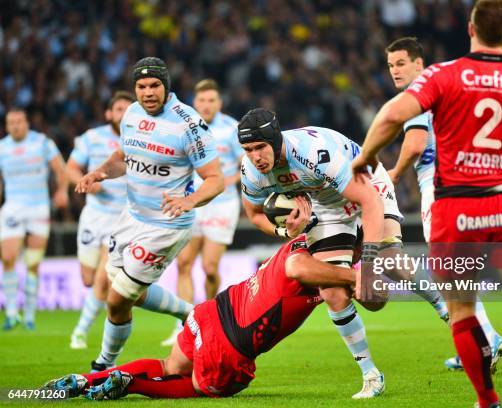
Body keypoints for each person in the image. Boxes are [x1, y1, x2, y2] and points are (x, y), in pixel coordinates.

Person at [353, 1, 502, 407]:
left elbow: (393, 116)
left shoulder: (443, 75)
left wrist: (366, 158)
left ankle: (488, 400)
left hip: (455, 207)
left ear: (470, 28)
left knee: (461, 309)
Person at [42, 215, 360, 400]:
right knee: (207, 387)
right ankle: (131, 384)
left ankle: (86, 379)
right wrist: (354, 275)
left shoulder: (304, 242)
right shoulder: (319, 265)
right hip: (231, 344)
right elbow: (297, 268)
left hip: (209, 311)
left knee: (168, 366)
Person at [75, 57, 225, 373]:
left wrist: (190, 201)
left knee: (116, 300)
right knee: (123, 286)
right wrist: (100, 173)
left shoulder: (188, 123)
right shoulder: (130, 113)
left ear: (166, 86)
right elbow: (124, 157)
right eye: (141, 87)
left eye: (154, 85)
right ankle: (191, 313)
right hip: (130, 217)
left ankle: (103, 366)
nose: (148, 92)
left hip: (166, 225)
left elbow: (216, 179)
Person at [238, 108, 389, 398]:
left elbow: (369, 200)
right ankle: (371, 374)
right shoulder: (250, 171)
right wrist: (285, 233)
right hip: (328, 209)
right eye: (248, 149)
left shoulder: (314, 153)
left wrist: (369, 266)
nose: (255, 156)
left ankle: (454, 315)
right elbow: (253, 213)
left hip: (370, 185)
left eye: (260, 147)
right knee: (340, 294)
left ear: (276, 140)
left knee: (393, 260)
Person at [385, 37, 502, 372]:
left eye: (400, 63)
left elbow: (415, 144)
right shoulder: (442, 90)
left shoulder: (416, 96)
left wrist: (393, 174)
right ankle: (481, 339)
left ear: (418, 64)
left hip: (439, 188)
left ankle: (484, 340)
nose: (395, 71)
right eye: (391, 65)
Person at [161, 79, 243, 347]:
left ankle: (208, 318)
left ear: (219, 103)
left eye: (211, 101)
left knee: (209, 268)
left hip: (222, 203)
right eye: (202, 101)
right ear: (195, 103)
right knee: (183, 264)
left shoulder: (232, 129)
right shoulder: (185, 126)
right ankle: (183, 325)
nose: (206, 105)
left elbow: (246, 165)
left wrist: (221, 182)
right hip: (191, 202)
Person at [68, 91, 134, 349]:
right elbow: (70, 168)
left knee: (102, 277)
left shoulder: (140, 139)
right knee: (88, 278)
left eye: (128, 109)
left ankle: (80, 332)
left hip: (121, 219)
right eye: (118, 109)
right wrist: (84, 181)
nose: (123, 114)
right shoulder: (91, 138)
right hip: (94, 216)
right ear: (109, 113)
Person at [0, 108, 69, 330]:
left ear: (27, 123)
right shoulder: (2, 147)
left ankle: (29, 315)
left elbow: (61, 169)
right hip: (12, 209)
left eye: (19, 121)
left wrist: (61, 191)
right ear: (7, 125)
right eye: (11, 122)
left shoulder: (42, 143)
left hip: (38, 209)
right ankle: (11, 313)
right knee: (8, 257)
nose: (16, 126)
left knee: (33, 263)